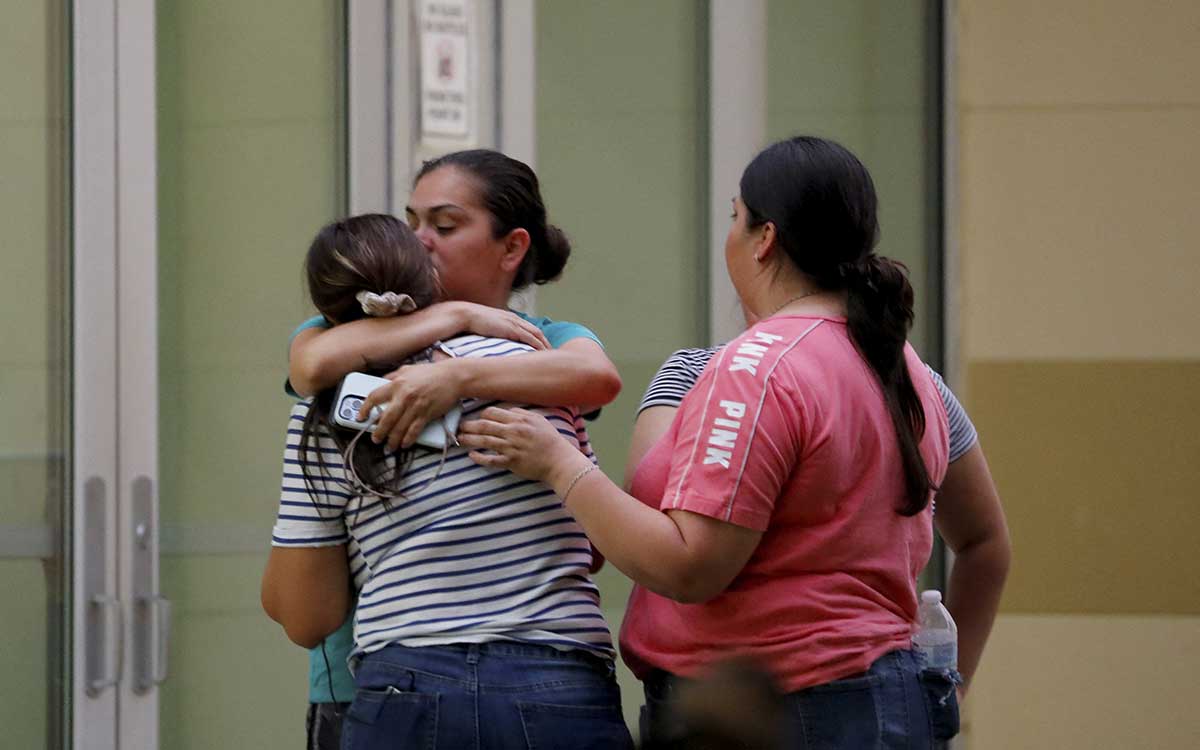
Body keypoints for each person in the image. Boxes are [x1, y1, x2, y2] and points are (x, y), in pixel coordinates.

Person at [459, 136, 1011, 748]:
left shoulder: (758, 366)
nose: (730, 233)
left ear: (765, 238)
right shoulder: (903, 366)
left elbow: (690, 567)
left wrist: (558, 462)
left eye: (734, 217)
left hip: (776, 709)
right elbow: (984, 540)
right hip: (884, 696)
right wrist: (947, 685)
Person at [281, 150, 622, 748]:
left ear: (512, 248)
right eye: (411, 222)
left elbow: (597, 378)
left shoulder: (548, 344)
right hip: (527, 673)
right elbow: (309, 364)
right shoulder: (342, 346)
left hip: (403, 674)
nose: (420, 241)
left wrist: (457, 378)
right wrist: (459, 316)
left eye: (443, 225)